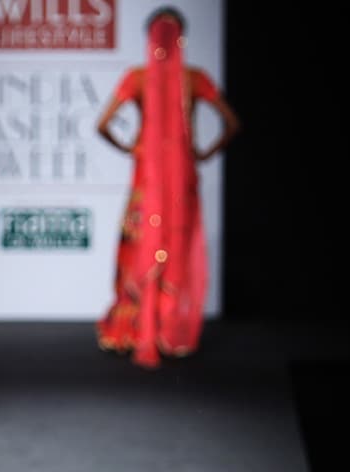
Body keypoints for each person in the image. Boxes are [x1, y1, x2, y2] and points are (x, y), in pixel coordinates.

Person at [94, 6, 240, 368]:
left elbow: (102, 124)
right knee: (175, 246)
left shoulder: (138, 78)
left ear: (149, 39)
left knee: (143, 247)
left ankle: (135, 327)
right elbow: (232, 123)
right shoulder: (194, 79)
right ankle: (169, 330)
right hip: (181, 180)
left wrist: (131, 147)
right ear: (182, 40)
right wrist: (202, 153)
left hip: (148, 178)